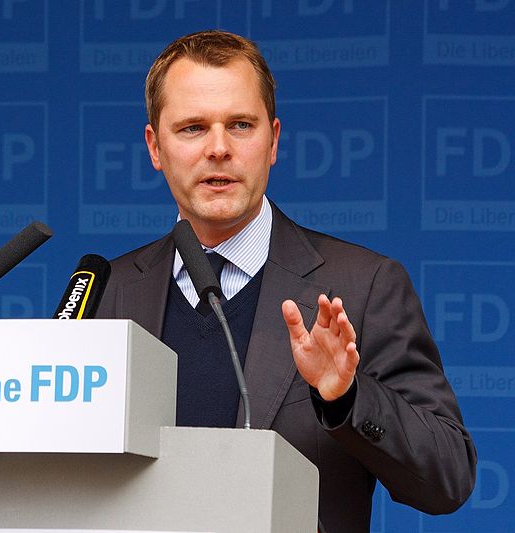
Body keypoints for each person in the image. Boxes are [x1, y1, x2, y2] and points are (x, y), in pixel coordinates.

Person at [94, 30, 476, 533]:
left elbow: (448, 477)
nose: (218, 148)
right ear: (155, 147)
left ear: (273, 140)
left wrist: (346, 397)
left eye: (240, 125)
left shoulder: (362, 286)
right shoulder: (107, 293)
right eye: (192, 128)